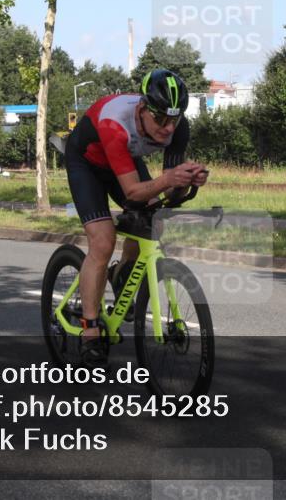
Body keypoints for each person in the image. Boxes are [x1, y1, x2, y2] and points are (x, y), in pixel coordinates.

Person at [64, 69, 209, 367]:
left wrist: (186, 181)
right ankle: (90, 329)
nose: (168, 129)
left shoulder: (178, 130)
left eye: (174, 120)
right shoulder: (114, 122)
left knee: (154, 218)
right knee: (103, 242)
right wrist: (169, 178)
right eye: (160, 120)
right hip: (86, 164)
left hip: (122, 162)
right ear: (142, 108)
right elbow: (132, 192)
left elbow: (169, 195)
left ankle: (123, 274)